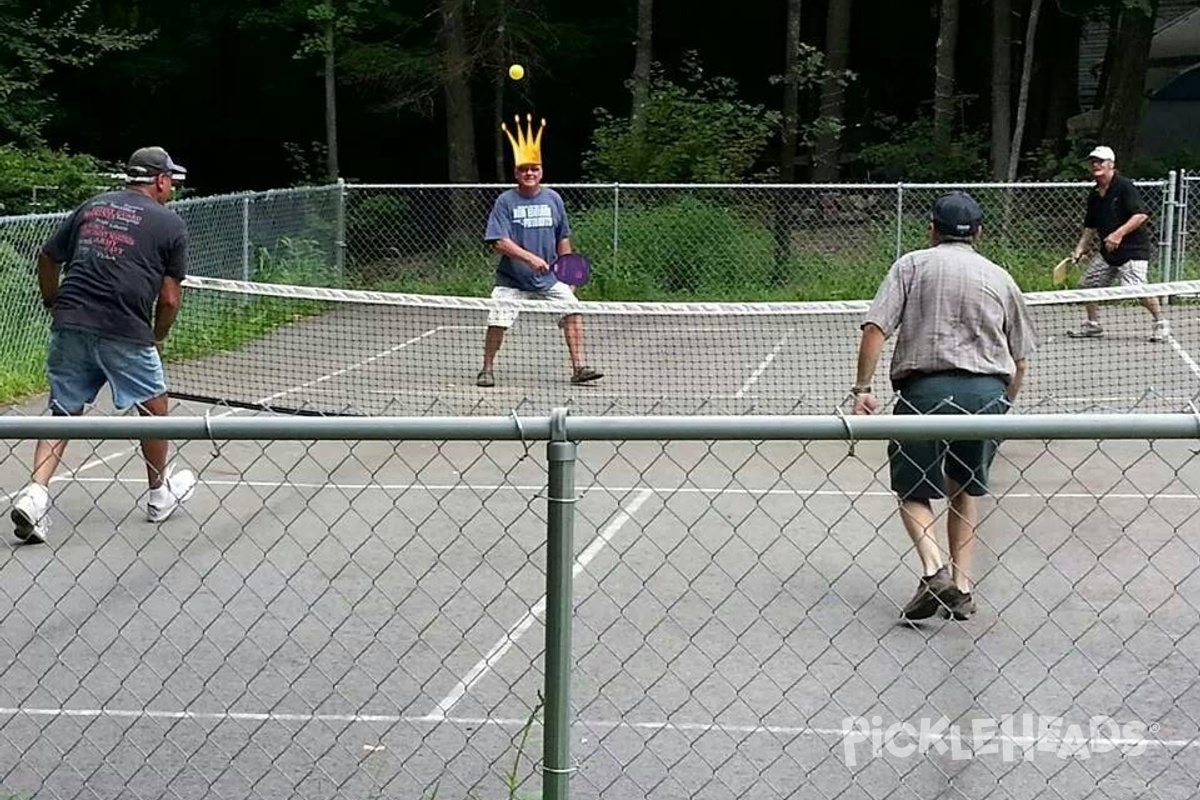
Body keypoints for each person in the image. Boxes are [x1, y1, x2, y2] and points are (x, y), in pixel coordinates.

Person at [852, 191, 1037, 622]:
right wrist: (1002, 407)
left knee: (912, 490)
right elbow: (1021, 360)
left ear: (931, 229)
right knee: (965, 489)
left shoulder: (911, 266)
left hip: (924, 395)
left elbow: (876, 328)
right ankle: (964, 588)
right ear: (978, 233)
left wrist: (862, 386)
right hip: (986, 396)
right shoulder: (1000, 277)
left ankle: (934, 572)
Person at [9, 146, 197, 545]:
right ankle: (159, 495)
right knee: (155, 407)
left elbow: (47, 258)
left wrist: (52, 302)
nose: (173, 189)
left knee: (63, 410)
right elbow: (169, 299)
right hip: (124, 328)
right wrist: (158, 337)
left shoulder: (92, 206)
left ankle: (36, 492)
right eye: (171, 181)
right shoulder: (171, 224)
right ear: (160, 181)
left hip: (70, 321)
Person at [476, 114, 602, 388]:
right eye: (524, 170)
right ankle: (487, 369)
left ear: (541, 171)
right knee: (498, 320)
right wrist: (530, 258)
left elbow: (563, 237)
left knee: (573, 311)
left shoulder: (554, 198)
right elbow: (498, 241)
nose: (529, 173)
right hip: (512, 279)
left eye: (534, 169)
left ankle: (579, 367)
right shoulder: (505, 201)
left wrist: (568, 275)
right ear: (517, 174)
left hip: (550, 279)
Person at [1066, 145, 1169, 342]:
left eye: (1100, 161)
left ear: (1111, 165)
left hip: (1133, 250)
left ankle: (1161, 323)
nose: (1096, 165)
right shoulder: (1095, 193)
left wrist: (1118, 234)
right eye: (1093, 162)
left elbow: (1140, 215)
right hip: (1109, 252)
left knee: (1137, 288)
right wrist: (1080, 249)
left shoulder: (1124, 186)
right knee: (1088, 284)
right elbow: (1090, 226)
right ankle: (1093, 325)